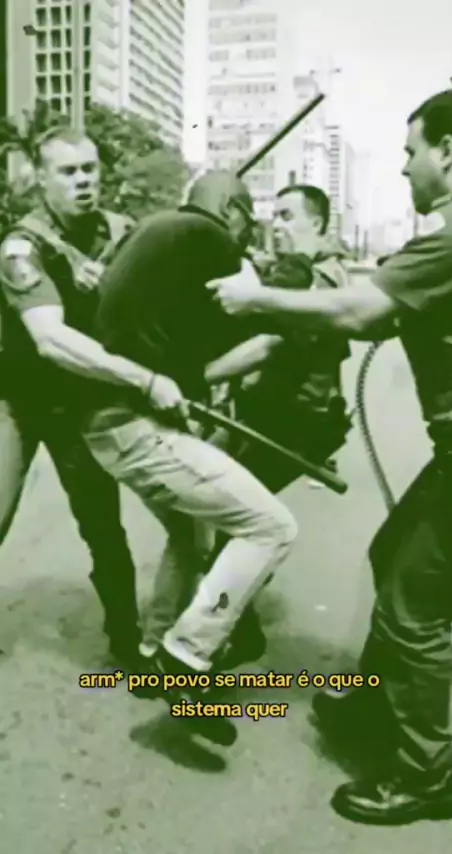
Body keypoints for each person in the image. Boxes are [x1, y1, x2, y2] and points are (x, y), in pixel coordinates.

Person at [209, 86, 452, 823]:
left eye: (411, 151)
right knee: (393, 557)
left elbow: (362, 310)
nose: (404, 167)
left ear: (448, 151)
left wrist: (256, 299)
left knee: (415, 605)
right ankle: (377, 707)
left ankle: (426, 775)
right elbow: (386, 313)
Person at [5, 165, 298, 745]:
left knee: (188, 533)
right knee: (272, 527)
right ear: (232, 211)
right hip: (125, 422)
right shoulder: (203, 234)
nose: (247, 234)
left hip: (102, 420)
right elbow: (250, 304)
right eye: (248, 220)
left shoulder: (142, 235)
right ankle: (185, 656)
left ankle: (151, 645)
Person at [0, 126, 142, 668]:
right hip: (17, 398)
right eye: (67, 171)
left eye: (89, 169)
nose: (83, 181)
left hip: (80, 401)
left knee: (103, 526)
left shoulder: (122, 234)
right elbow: (49, 337)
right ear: (41, 179)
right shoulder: (21, 246)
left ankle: (127, 640)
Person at [203, 184, 352, 669]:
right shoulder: (293, 272)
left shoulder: (321, 279)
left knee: (237, 522)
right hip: (266, 414)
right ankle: (228, 620)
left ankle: (224, 634)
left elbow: (270, 344)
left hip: (299, 422)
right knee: (214, 503)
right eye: (275, 214)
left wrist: (196, 377)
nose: (278, 225)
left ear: (318, 223)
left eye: (288, 215)